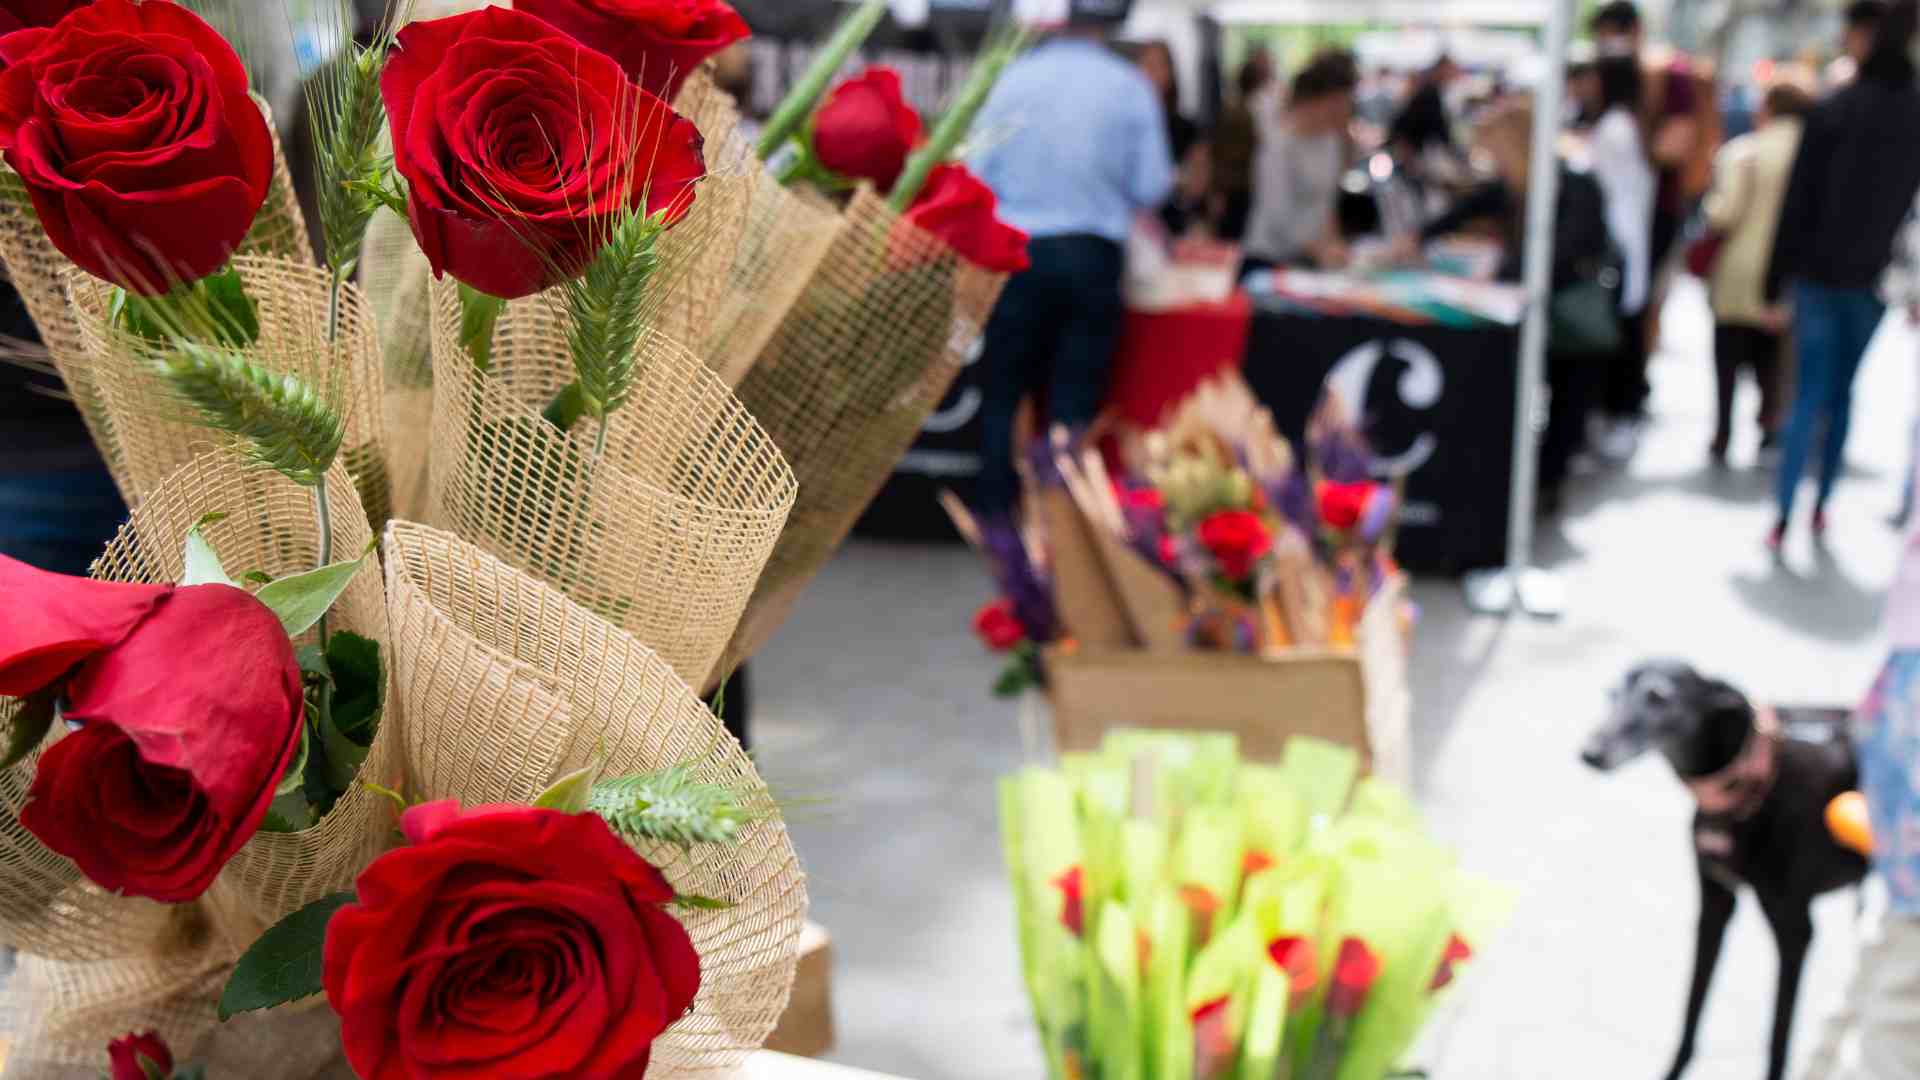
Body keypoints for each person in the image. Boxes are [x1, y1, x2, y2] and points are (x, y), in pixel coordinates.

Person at [969, 0, 1173, 514]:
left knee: (1003, 394)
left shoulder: (1014, 79)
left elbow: (977, 170)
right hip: (1092, 255)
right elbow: (1152, 185)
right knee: (1073, 402)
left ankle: (997, 519)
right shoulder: (1129, 87)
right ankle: (1063, 527)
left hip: (1017, 253)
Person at [1765, 0, 1920, 548]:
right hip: (1873, 282)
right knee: (1842, 393)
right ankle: (1821, 504)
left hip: (1821, 276)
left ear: (1863, 35)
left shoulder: (1835, 107)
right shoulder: (1909, 110)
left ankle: (1784, 512)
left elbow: (1796, 202)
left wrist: (1773, 278)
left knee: (1809, 393)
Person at [1419, 101, 1618, 511]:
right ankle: (1531, 485)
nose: (1491, 163)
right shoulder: (1518, 185)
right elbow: (1469, 208)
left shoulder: (1575, 183)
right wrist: (1419, 237)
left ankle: (1545, 487)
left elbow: (1565, 252)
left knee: (1565, 406)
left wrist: (1502, 273)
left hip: (1570, 318)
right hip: (1535, 313)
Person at [1590, 1, 1721, 420]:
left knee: (1637, 305)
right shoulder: (1630, 77)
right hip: (1632, 209)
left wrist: (1630, 146)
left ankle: (1628, 395)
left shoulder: (1669, 74)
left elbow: (1673, 146)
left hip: (1653, 210)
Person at [1700, 77, 1813, 464]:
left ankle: (1723, 431)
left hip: (1739, 264)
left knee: (1727, 353)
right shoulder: (1816, 154)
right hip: (1789, 270)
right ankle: (1768, 424)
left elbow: (1724, 212)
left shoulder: (1744, 152)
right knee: (1772, 353)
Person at [1588, 55, 1657, 459]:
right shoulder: (1628, 124)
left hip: (1617, 242)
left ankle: (1618, 415)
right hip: (1627, 240)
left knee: (1619, 336)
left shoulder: (1615, 127)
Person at [1242, 50, 1358, 277]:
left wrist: (1333, 244)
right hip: (1271, 259)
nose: (1342, 112)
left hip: (1311, 261)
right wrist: (1319, 251)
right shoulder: (1278, 145)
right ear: (1313, 101)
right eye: (1336, 104)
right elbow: (1278, 217)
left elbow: (1327, 203)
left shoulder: (1330, 141)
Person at [1134, 39, 1209, 236]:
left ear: (1170, 73)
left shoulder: (1186, 128)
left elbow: (1197, 186)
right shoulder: (1123, 124)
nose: (1152, 74)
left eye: (1159, 66)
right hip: (1132, 229)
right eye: (1147, 65)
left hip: (1172, 226)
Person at [1211, 50, 1273, 242]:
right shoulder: (1245, 112)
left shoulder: (1240, 108)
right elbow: (1223, 154)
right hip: (1238, 186)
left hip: (1241, 186)